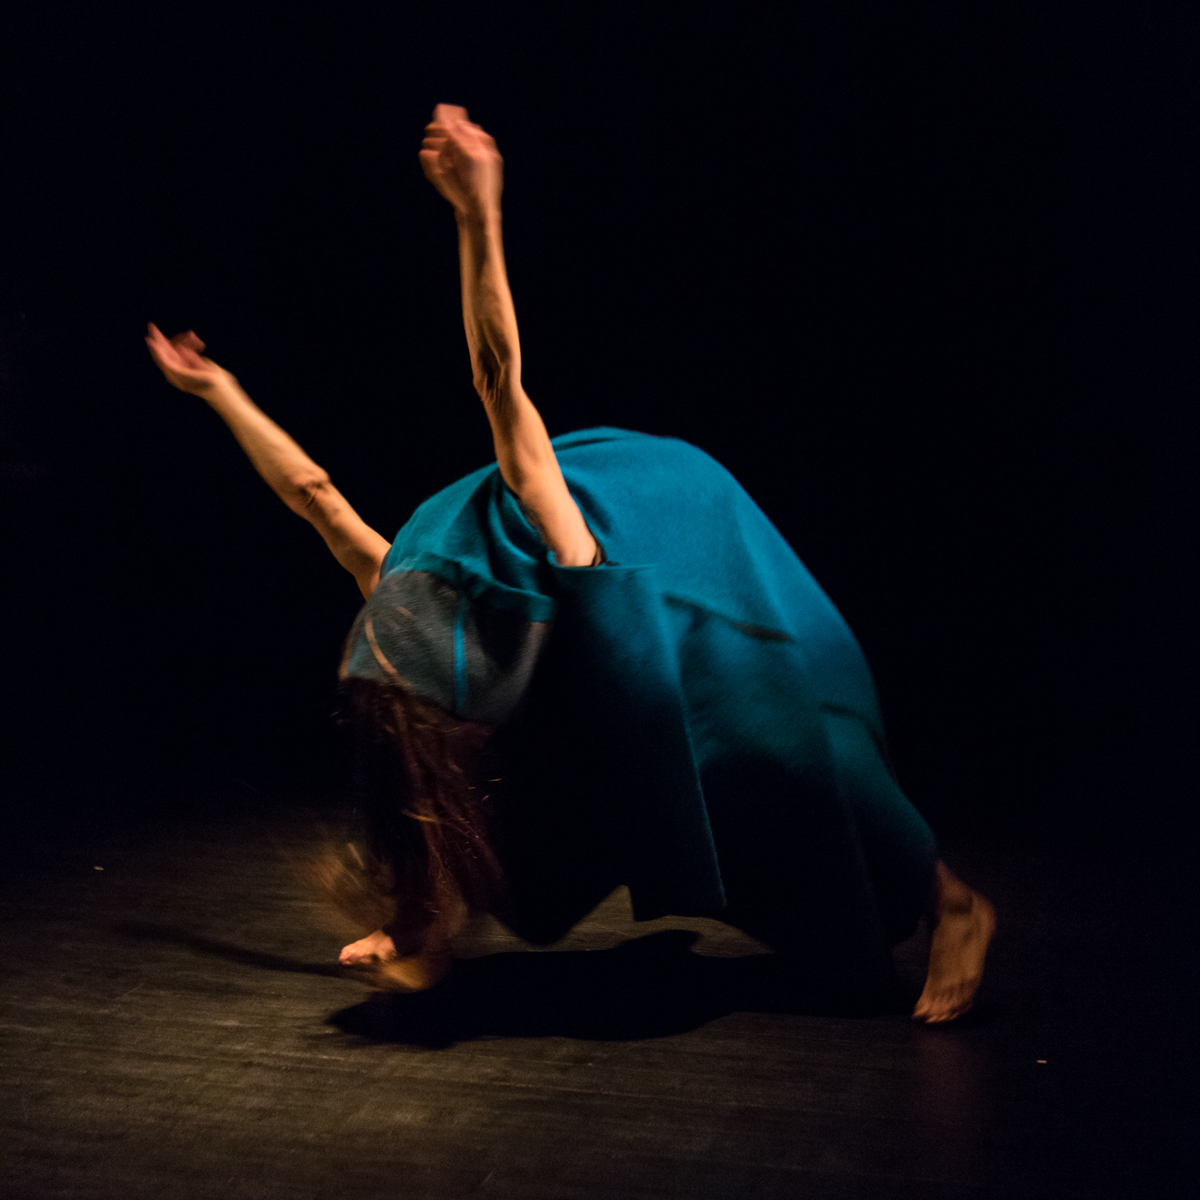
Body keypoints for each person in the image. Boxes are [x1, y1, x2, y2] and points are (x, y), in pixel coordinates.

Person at [146, 104, 994, 1024]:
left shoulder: (547, 532)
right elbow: (312, 493)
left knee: (786, 753)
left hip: (677, 544)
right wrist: (220, 392)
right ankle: (428, 925)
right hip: (586, 647)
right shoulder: (403, 585)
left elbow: (499, 382)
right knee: (516, 789)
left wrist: (477, 213)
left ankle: (954, 902)